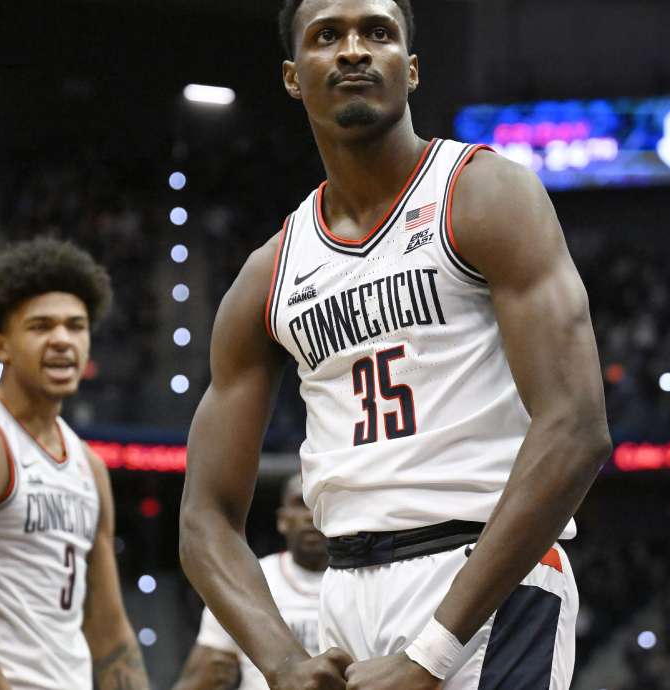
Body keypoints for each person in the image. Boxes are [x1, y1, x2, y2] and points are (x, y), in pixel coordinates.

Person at [178, 0, 611, 688]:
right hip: (344, 593)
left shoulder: (484, 194)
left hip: (486, 578)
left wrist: (430, 655)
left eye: (377, 32)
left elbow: (577, 426)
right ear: (293, 77)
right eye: (328, 37)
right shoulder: (272, 270)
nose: (353, 50)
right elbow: (204, 517)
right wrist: (284, 662)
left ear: (409, 70)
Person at [0, 238, 149, 690]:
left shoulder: (89, 466)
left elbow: (109, 629)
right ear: (1, 346)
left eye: (76, 326)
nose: (63, 340)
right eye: (41, 326)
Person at [172, 474, 325, 690]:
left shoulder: (364, 580)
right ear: (282, 520)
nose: (310, 515)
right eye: (301, 504)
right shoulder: (246, 579)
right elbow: (206, 674)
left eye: (319, 503)